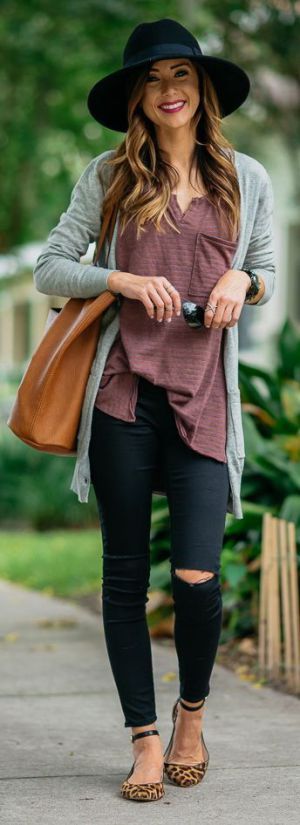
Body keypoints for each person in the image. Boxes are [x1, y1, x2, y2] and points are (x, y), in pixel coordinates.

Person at [33, 18, 276, 804]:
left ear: (202, 88)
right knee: (124, 579)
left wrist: (248, 283)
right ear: (137, 96)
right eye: (151, 78)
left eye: (180, 74)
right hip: (123, 397)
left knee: (198, 579)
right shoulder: (109, 176)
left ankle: (192, 716)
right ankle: (143, 736)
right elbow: (49, 267)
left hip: (206, 397)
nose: (168, 90)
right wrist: (121, 282)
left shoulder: (250, 178)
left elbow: (265, 265)